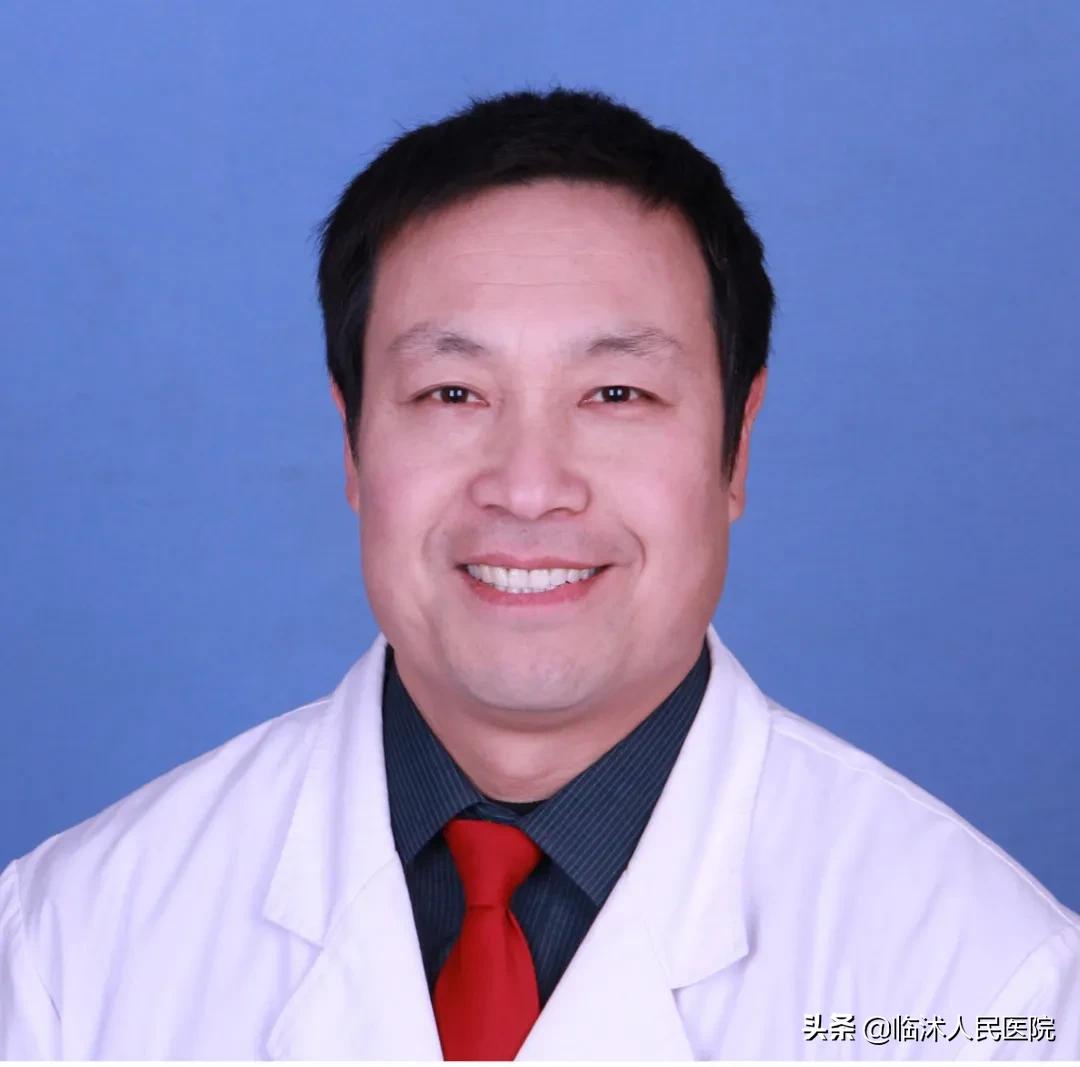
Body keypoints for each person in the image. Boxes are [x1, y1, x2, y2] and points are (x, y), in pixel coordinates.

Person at [1, 87, 1077, 1062]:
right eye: (452, 394)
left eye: (615, 395)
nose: (527, 487)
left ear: (737, 448)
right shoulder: (70, 946)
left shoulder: (985, 987)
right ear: (352, 445)